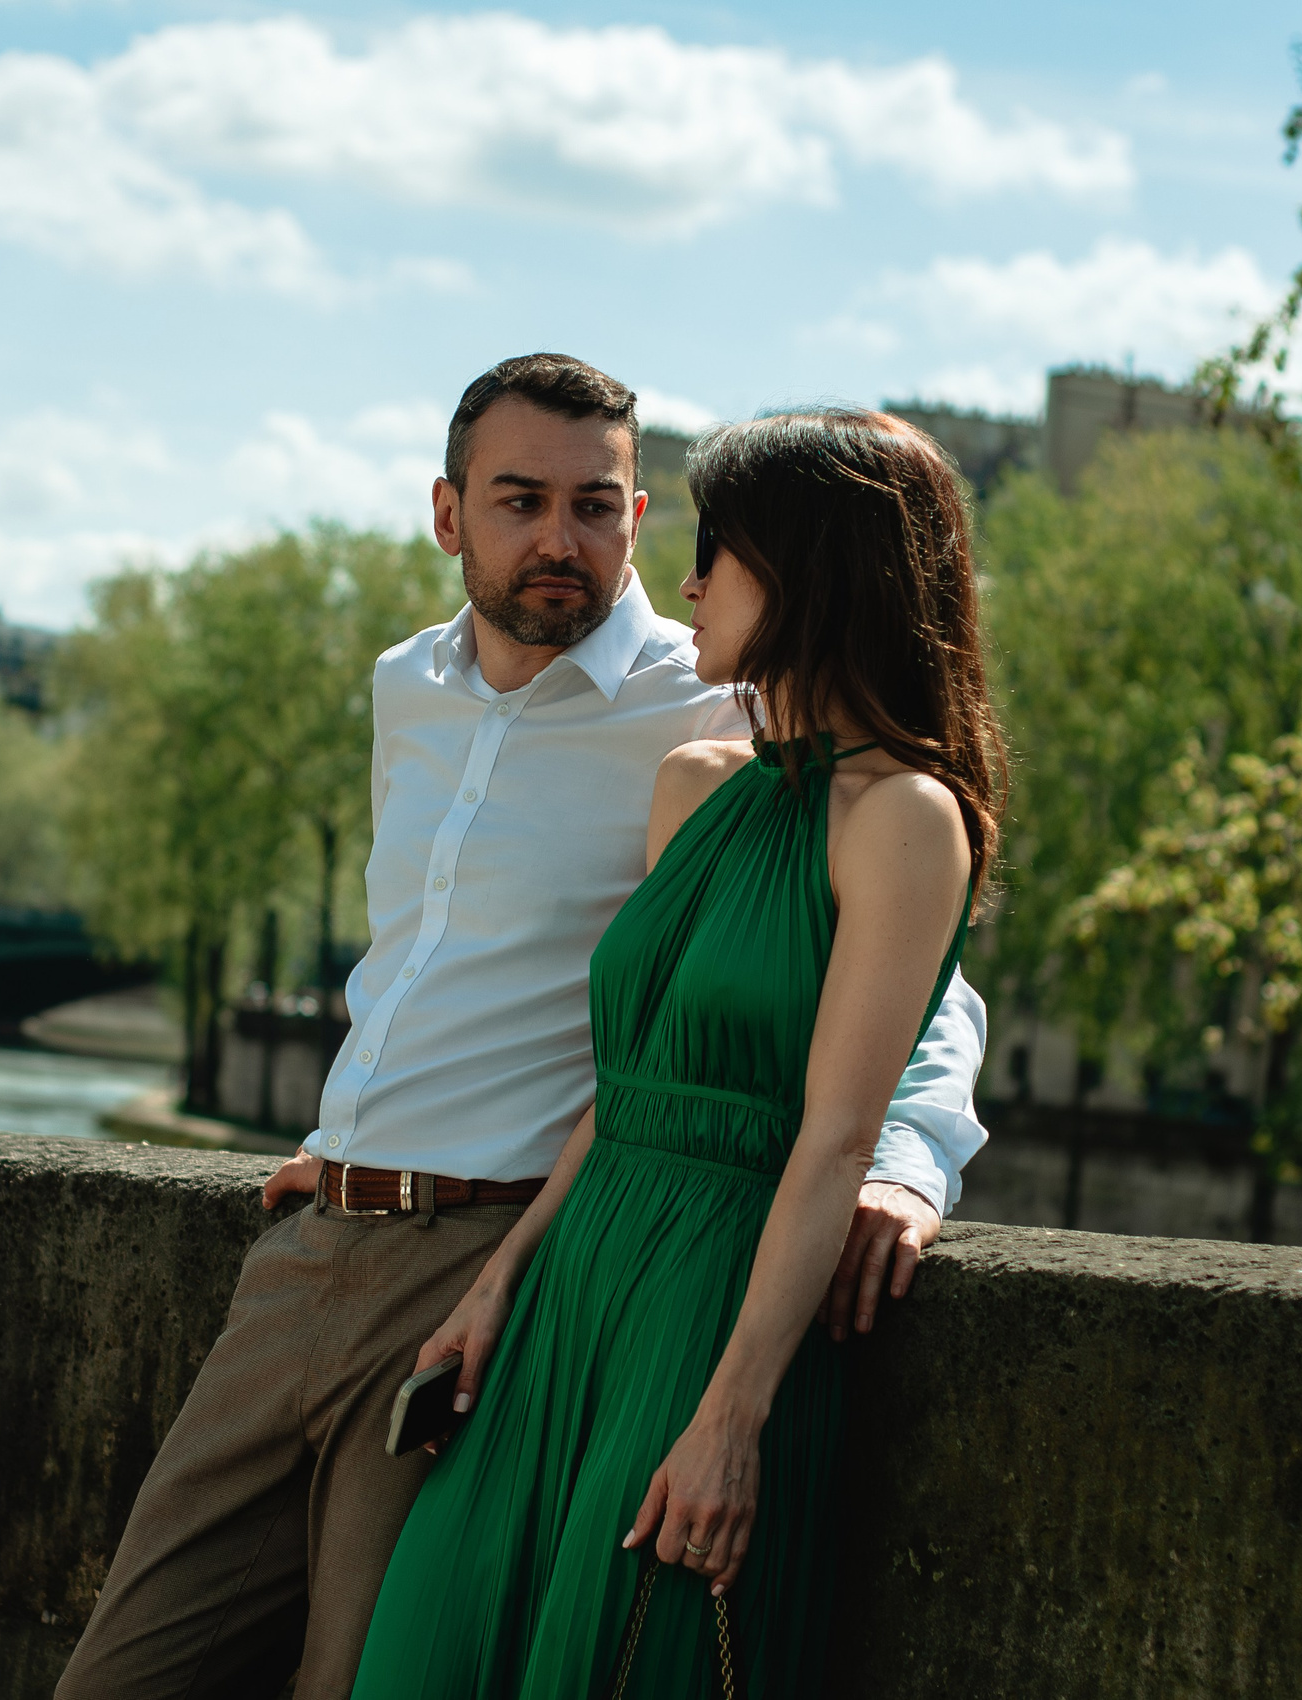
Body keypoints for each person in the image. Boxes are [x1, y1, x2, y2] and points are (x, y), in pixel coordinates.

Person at [52, 357, 989, 1700]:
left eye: (597, 507)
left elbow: (909, 980)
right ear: (449, 515)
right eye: (521, 501)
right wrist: (360, 1129)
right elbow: (423, 955)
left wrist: (910, 1161)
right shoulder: (408, 687)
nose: (563, 539)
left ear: (640, 518)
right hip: (317, 1245)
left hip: (495, 1256)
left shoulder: (721, 703)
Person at [347, 407, 1004, 1699]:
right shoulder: (695, 783)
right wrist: (502, 1279)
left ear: (811, 573)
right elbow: (627, 1084)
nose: (688, 585)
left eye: (719, 553)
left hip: (713, 1304)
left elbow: (835, 1141)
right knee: (430, 1652)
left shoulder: (907, 818)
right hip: (573, 1283)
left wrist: (733, 1418)